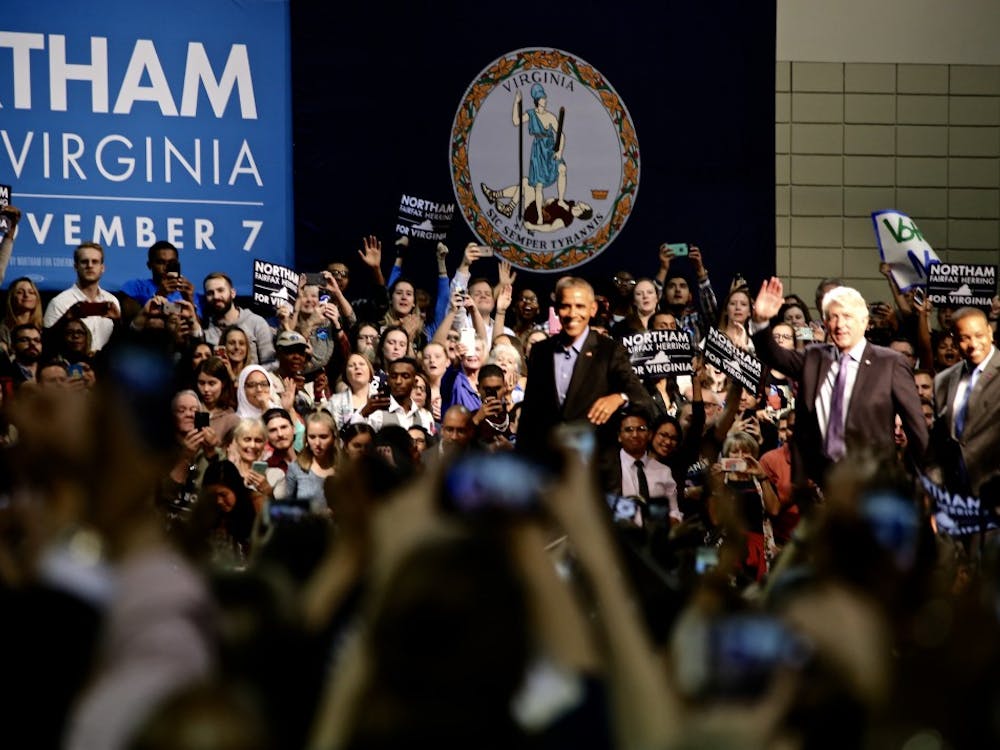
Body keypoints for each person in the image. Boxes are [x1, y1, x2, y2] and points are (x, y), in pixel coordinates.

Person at [750, 277, 928, 491]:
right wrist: (760, 321)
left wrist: (926, 486)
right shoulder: (814, 357)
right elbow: (774, 356)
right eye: (833, 317)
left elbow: (916, 429)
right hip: (819, 484)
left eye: (847, 316)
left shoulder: (890, 363)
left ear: (864, 321)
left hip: (873, 483)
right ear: (825, 323)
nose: (840, 324)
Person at [517, 277, 653, 458]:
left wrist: (619, 397)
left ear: (593, 309)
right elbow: (529, 415)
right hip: (550, 468)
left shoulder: (609, 350)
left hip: (596, 468)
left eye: (580, 306)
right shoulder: (541, 352)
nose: (572, 313)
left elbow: (642, 398)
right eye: (566, 306)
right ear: (557, 309)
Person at [931, 307, 1000, 497]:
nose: (973, 344)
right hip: (954, 494)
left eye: (979, 335)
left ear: (990, 332)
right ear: (954, 339)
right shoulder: (942, 380)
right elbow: (938, 441)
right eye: (964, 338)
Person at [601, 404, 680, 523]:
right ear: (619, 436)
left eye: (641, 429)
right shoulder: (606, 468)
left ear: (649, 435)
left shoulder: (663, 472)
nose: (635, 435)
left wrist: (669, 520)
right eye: (629, 430)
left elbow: (674, 511)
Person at [42, 242, 121, 351]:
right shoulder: (59, 302)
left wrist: (118, 322)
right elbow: (47, 342)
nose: (90, 265)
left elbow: (120, 343)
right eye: (84, 262)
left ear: (102, 268)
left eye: (95, 262)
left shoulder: (112, 301)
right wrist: (66, 318)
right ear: (76, 267)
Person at [202, 272, 276, 366]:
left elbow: (270, 363)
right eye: (210, 293)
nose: (216, 296)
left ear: (232, 293)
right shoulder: (205, 329)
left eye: (220, 290)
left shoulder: (256, 323)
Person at [119, 240, 202, 320]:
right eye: (160, 262)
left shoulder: (189, 292)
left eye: (172, 262)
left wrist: (189, 301)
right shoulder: (135, 287)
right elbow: (131, 322)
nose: (166, 267)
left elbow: (199, 330)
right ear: (149, 265)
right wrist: (159, 295)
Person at [355, 356, 434, 432]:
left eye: (405, 376)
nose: (398, 381)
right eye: (393, 376)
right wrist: (363, 413)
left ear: (414, 382)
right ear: (388, 380)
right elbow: (352, 438)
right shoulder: (374, 411)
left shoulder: (425, 417)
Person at [282, 410, 337, 512]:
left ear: (333, 437)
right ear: (306, 438)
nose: (317, 443)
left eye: (323, 437)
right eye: (312, 437)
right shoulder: (296, 468)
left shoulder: (344, 468)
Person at [194, 356, 240, 443]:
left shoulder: (231, 419)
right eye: (201, 383)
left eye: (212, 383)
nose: (206, 389)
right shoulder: (189, 411)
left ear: (223, 383)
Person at [324, 352, 376, 429]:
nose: (357, 367)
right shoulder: (335, 401)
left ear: (370, 371)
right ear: (346, 375)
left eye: (361, 364)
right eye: (351, 365)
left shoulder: (382, 398)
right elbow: (333, 431)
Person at [0, 276, 43, 354]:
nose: (26, 295)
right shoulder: (3, 329)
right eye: (20, 292)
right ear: (12, 297)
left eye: (31, 292)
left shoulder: (46, 326)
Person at [263, 407, 298, 473]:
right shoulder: (265, 469)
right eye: (273, 430)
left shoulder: (311, 460)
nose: (280, 434)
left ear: (293, 429)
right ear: (266, 436)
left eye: (284, 427)